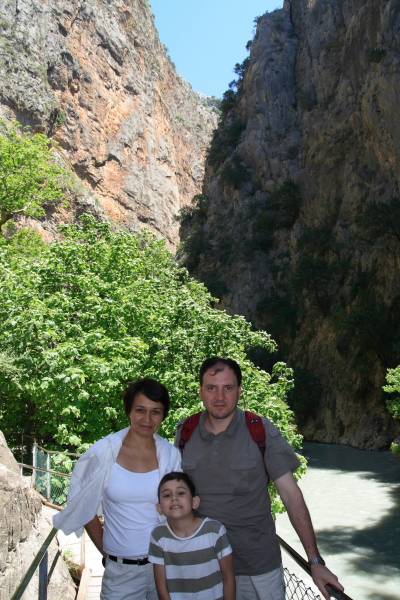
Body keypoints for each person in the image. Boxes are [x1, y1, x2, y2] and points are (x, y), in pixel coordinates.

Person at [176, 358, 344, 600]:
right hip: (203, 566)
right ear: (201, 391)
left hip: (257, 568)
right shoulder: (186, 432)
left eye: (228, 388)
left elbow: (291, 496)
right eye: (211, 388)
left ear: (239, 391)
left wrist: (315, 561)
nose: (219, 397)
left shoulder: (260, 430)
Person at [54, 378, 181, 599]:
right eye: (140, 410)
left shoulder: (171, 455)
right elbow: (83, 506)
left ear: (163, 416)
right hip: (121, 573)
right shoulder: (103, 452)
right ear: (129, 411)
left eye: (155, 412)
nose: (147, 419)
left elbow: (179, 509)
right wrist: (107, 552)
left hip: (166, 567)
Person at [148, 471, 235, 600]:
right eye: (167, 495)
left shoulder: (215, 531)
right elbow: (162, 587)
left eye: (181, 493)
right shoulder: (158, 536)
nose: (174, 498)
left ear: (195, 501)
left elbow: (229, 578)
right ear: (159, 508)